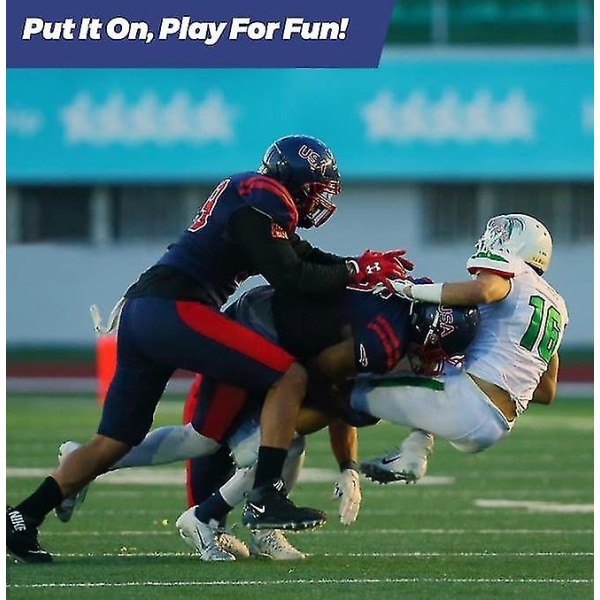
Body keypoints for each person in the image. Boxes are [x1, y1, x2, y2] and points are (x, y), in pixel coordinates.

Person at [6, 134, 410, 564]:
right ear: (294, 180)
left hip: (146, 311)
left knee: (115, 440)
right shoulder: (265, 197)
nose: (318, 200)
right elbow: (291, 276)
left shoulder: (256, 197)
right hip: (176, 307)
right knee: (289, 376)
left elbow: (304, 255)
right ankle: (266, 496)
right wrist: (353, 269)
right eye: (314, 188)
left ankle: (22, 517)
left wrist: (359, 268)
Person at [357, 214, 569, 484]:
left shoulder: (513, 272)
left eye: (502, 236)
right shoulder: (556, 306)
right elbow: (546, 391)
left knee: (352, 391)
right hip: (496, 426)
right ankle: (413, 453)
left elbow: (484, 290)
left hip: (468, 402)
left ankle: (291, 443)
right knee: (438, 368)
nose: (491, 240)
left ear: (519, 245)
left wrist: (410, 291)